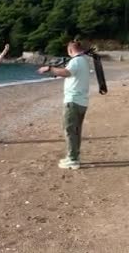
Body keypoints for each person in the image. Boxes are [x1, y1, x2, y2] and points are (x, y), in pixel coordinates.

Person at [38, 41, 90, 170]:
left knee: (70, 130)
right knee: (76, 131)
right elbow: (71, 75)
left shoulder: (76, 61)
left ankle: (72, 159)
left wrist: (49, 69)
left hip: (73, 101)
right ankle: (74, 156)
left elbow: (67, 72)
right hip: (82, 101)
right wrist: (57, 72)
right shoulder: (83, 60)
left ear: (70, 51)